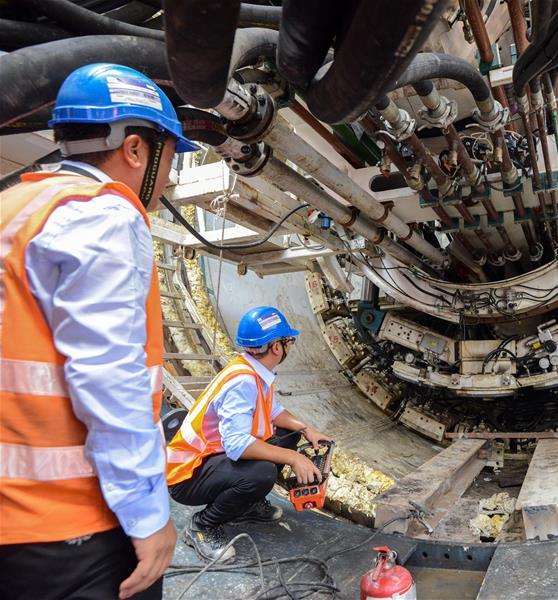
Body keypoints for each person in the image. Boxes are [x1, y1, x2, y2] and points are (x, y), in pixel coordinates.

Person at [0, 63, 199, 600]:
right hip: (71, 524)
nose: (171, 177)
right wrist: (148, 515)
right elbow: (108, 374)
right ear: (135, 149)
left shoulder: (15, 207)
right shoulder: (103, 212)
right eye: (170, 157)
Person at [166, 306, 332, 563]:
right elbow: (236, 446)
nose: (290, 345)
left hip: (210, 460)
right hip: (186, 476)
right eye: (289, 341)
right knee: (262, 473)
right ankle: (202, 526)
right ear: (277, 347)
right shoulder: (243, 381)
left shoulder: (254, 369)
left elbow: (275, 411)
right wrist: (294, 458)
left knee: (288, 435)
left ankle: (246, 506)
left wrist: (307, 430)